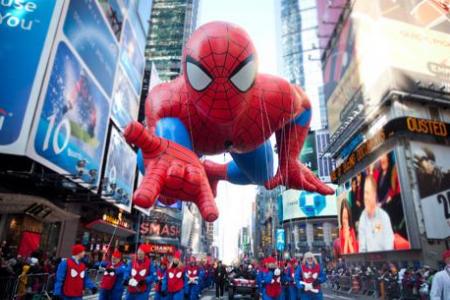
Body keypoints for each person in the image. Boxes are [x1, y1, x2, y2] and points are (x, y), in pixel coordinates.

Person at [358, 175, 394, 252]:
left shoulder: (383, 216)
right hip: (368, 263)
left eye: (367, 193)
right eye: (364, 193)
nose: (365, 197)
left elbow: (389, 245)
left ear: (374, 194)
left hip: (385, 260)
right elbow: (362, 248)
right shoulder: (362, 218)